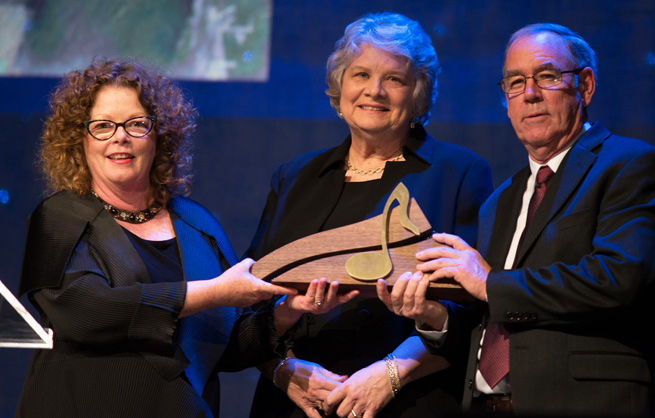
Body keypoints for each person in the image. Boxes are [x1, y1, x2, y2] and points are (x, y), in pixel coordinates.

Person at [14, 58, 336, 418]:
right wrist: (213, 292)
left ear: (159, 135)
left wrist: (287, 311)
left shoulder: (197, 222)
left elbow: (226, 346)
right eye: (103, 126)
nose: (120, 136)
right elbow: (86, 313)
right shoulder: (60, 215)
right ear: (80, 140)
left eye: (137, 124)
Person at [379, 23, 655, 416]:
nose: (530, 94)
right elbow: (489, 317)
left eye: (547, 76)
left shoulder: (627, 163)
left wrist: (488, 282)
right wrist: (432, 315)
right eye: (515, 82)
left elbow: (619, 277)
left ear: (586, 86)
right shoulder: (499, 201)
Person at [246, 12, 493, 418]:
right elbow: (249, 301)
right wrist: (283, 370)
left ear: (417, 94)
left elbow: (475, 309)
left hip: (406, 402)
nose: (374, 91)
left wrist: (391, 374)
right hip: (294, 405)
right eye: (360, 74)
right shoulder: (294, 176)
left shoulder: (459, 172)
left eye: (394, 79)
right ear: (340, 86)